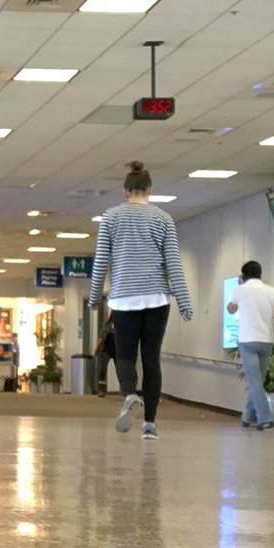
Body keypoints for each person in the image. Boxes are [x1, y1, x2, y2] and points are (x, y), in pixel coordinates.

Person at [86, 161, 193, 439]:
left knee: (125, 355)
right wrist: (184, 302)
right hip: (157, 298)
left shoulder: (110, 217)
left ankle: (130, 395)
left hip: (124, 298)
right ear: (150, 190)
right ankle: (150, 424)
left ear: (125, 191)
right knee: (151, 359)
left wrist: (94, 297)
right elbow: (173, 264)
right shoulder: (163, 219)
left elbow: (100, 262)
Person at [227, 261, 274, 430]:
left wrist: (239, 284)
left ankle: (265, 418)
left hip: (247, 341)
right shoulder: (272, 291)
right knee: (258, 381)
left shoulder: (239, 290)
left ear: (243, 275)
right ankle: (247, 415)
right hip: (266, 341)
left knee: (255, 382)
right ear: (260, 273)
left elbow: (230, 309)